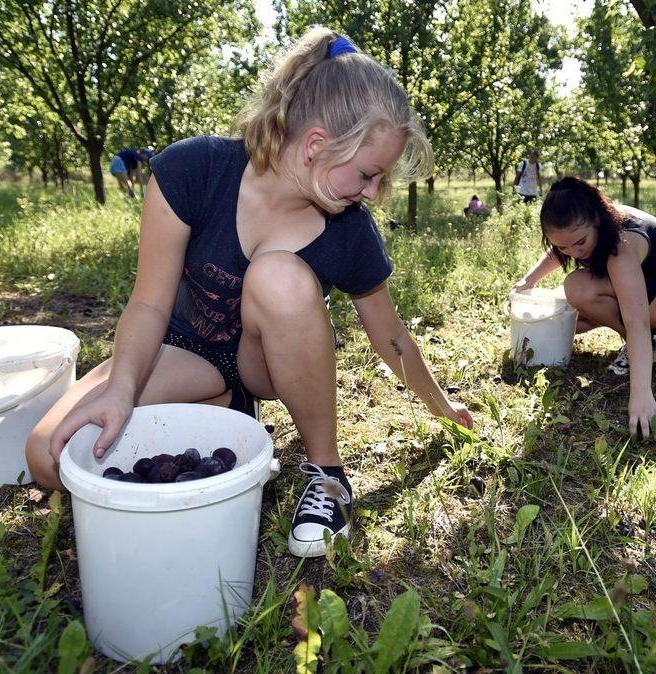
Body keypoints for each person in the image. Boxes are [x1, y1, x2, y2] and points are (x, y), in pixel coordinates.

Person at [26, 28, 474, 559]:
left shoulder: (350, 228)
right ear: (315, 146)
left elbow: (391, 335)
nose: (374, 192)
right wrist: (122, 387)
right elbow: (148, 303)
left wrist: (441, 406)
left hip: (263, 364)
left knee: (278, 276)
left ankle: (328, 478)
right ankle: (221, 405)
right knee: (46, 456)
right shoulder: (193, 171)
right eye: (369, 174)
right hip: (182, 353)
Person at [513, 177, 656, 438]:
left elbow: (637, 321)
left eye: (580, 243)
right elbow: (564, 246)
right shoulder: (584, 223)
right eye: (563, 246)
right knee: (568, 319)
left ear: (597, 220)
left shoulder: (620, 246)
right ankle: (634, 343)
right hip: (644, 287)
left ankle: (647, 351)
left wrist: (641, 394)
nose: (574, 253)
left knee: (578, 288)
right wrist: (529, 279)